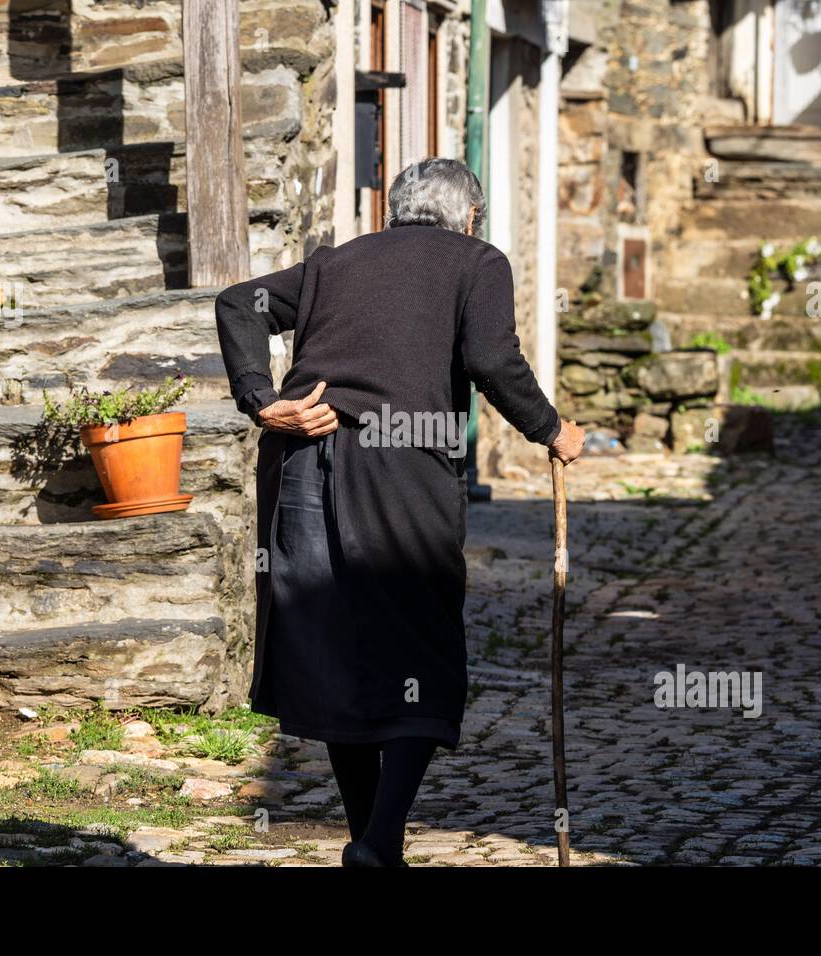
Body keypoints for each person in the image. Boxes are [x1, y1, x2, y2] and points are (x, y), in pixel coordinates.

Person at [215, 157, 586, 867]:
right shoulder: (479, 261)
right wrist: (551, 429)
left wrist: (263, 402)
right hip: (396, 466)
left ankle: (372, 844)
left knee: (338, 651)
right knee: (425, 648)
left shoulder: (335, 261)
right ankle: (381, 840)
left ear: (396, 210)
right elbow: (491, 358)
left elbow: (238, 302)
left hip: (301, 461)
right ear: (470, 216)